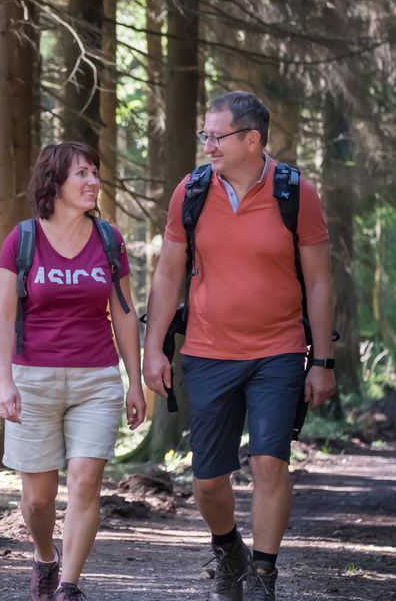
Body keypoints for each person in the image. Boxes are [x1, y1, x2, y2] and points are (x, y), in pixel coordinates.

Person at [142, 91, 336, 601]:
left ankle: (264, 577)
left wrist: (322, 359)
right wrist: (153, 347)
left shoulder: (297, 192)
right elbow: (167, 273)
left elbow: (318, 282)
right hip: (207, 353)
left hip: (278, 350)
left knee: (270, 461)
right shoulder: (192, 192)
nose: (208, 144)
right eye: (204, 135)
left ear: (252, 139)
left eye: (217, 136)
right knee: (208, 482)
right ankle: (230, 551)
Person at [0, 142, 146, 601]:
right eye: (82, 173)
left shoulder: (109, 239)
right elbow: (2, 318)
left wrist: (134, 382)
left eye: (95, 172)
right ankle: (44, 556)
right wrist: (4, 382)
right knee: (38, 500)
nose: (93, 181)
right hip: (32, 378)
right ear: (54, 183)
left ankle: (69, 586)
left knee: (85, 479)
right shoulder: (21, 240)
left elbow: (123, 313)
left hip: (95, 379)